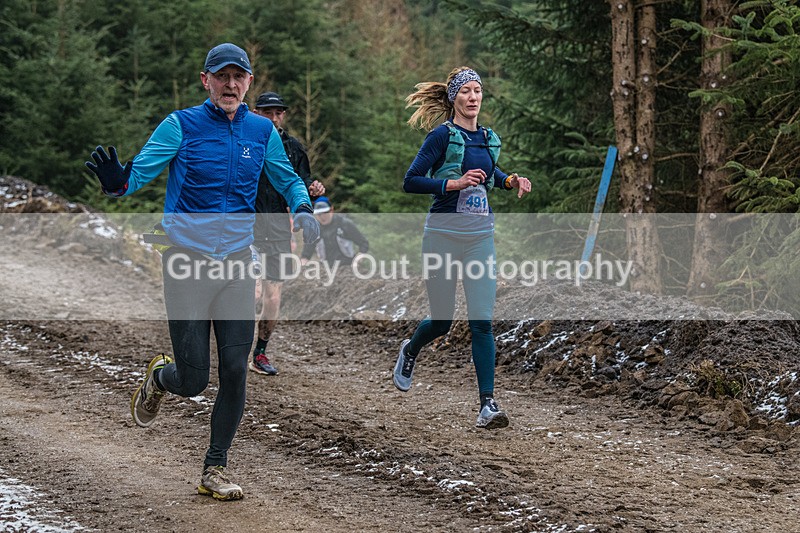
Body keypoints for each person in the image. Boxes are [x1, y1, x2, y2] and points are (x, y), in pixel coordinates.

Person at [85, 43, 320, 500]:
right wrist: (118, 182)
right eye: (222, 76)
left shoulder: (260, 131)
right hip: (186, 261)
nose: (231, 85)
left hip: (236, 262)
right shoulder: (181, 125)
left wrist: (304, 207)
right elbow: (139, 172)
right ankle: (160, 377)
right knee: (193, 381)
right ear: (205, 80)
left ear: (249, 82)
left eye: (239, 77)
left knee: (235, 367)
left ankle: (215, 467)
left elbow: (288, 177)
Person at [394, 66, 531, 430]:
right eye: (466, 91)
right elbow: (411, 182)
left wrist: (510, 180)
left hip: (479, 239)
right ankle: (411, 349)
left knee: (481, 321)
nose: (473, 97)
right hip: (441, 235)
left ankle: (487, 404)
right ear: (454, 97)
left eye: (477, 91)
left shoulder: (487, 138)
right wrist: (452, 184)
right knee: (442, 321)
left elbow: (490, 172)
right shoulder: (441, 137)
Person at [251, 91, 325, 376]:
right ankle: (235, 349)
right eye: (267, 111)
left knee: (272, 296)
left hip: (279, 228)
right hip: (248, 226)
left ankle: (260, 353)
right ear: (256, 112)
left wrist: (314, 192)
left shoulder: (294, 148)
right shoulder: (247, 142)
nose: (273, 117)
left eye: (278, 112)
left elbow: (301, 184)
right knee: (252, 291)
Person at [300, 196, 369, 267]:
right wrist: (303, 264)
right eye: (319, 214)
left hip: (347, 266)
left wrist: (358, 259)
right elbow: (306, 255)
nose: (322, 217)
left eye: (325, 213)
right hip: (325, 269)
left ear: (331, 210)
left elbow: (364, 244)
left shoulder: (345, 224)